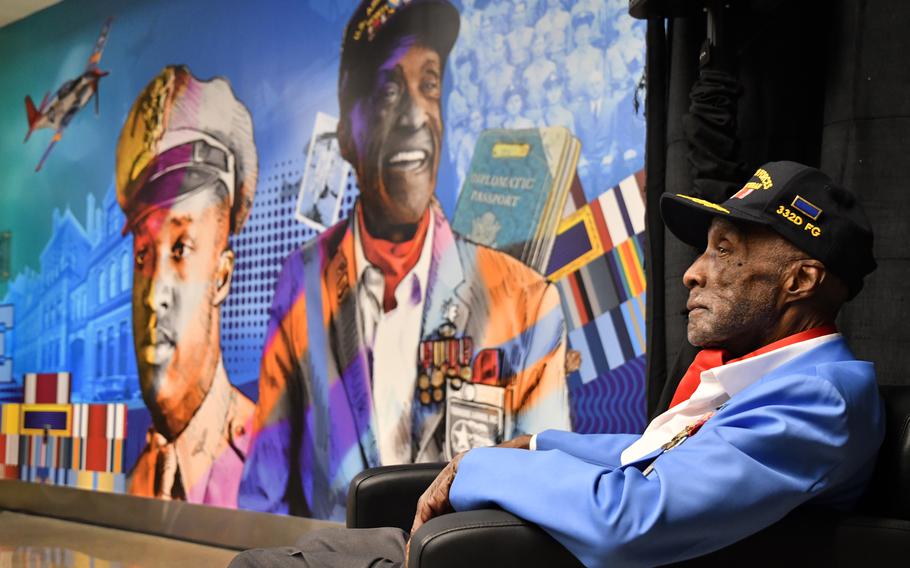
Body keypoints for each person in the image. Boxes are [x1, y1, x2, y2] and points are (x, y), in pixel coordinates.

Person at [232, 161, 884, 567]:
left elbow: (630, 516)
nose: (692, 273)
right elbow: (649, 457)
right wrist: (538, 440)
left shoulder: (820, 397)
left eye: (725, 251)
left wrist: (485, 463)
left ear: (800, 281)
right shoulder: (769, 379)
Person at [239, 0, 570, 522]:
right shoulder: (301, 285)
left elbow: (550, 489)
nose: (415, 114)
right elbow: (265, 498)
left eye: (429, 84)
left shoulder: (526, 303)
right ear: (346, 132)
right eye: (388, 90)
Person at [116, 65, 258, 508]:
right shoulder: (141, 477)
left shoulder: (266, 462)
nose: (154, 291)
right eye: (143, 256)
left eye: (180, 249)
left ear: (222, 276)